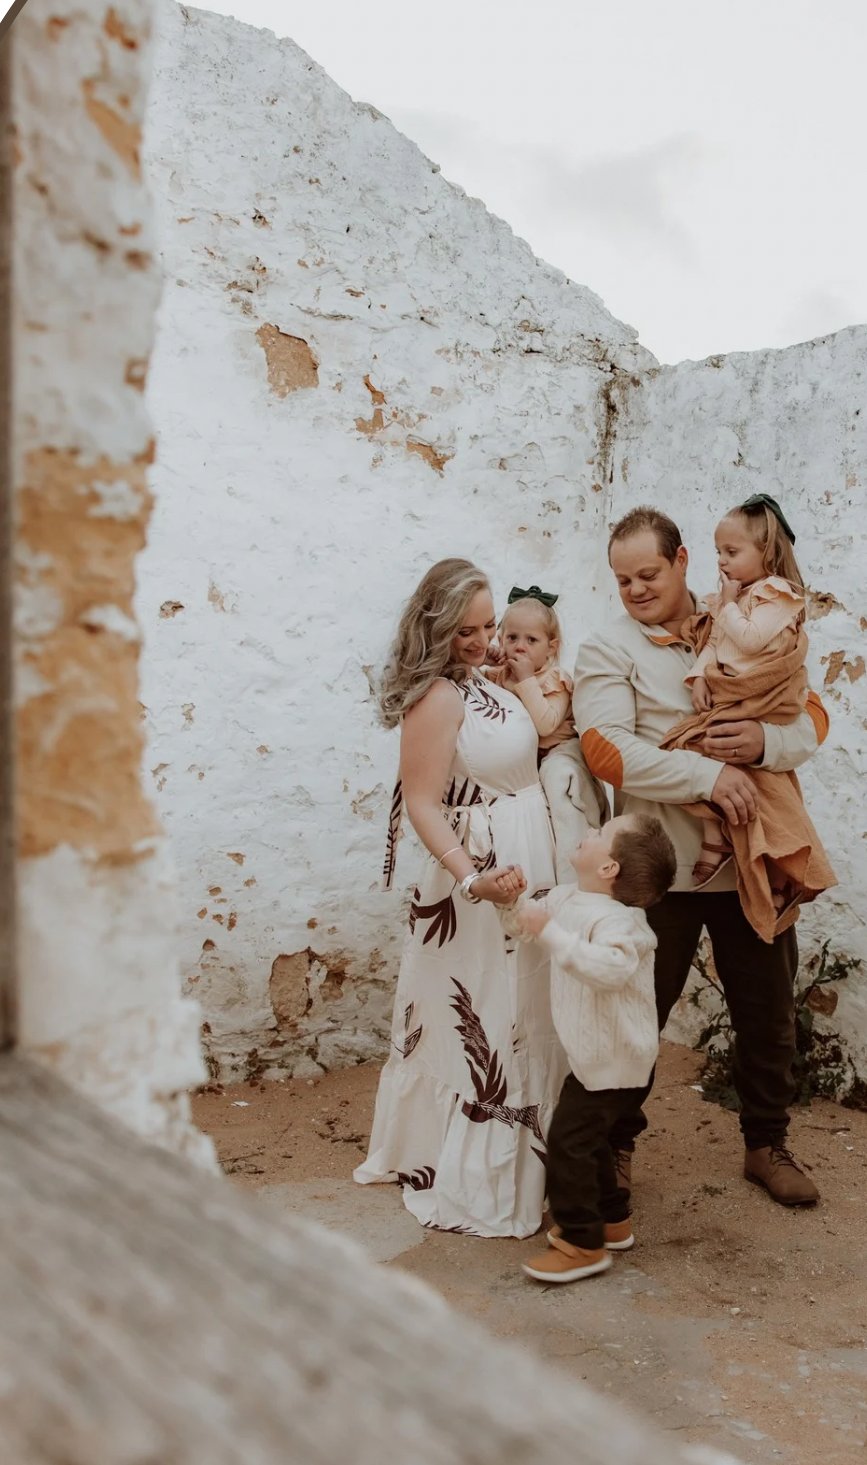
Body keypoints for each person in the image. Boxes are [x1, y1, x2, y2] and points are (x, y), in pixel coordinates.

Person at [572, 506, 830, 1210]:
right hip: (661, 871)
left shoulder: (746, 619)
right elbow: (605, 748)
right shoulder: (606, 650)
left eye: (648, 573)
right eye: (623, 580)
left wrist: (762, 746)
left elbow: (810, 716)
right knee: (635, 1017)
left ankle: (766, 1145)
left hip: (753, 859)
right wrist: (707, 777)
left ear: (683, 559)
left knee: (769, 1012)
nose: (636, 590)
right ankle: (616, 1148)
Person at [354, 558, 567, 1238]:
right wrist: (472, 877)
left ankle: (546, 1161)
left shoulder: (478, 680)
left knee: (528, 1010)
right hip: (480, 878)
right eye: (468, 632)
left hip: (526, 858)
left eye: (489, 626)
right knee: (493, 1017)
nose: (485, 641)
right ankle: (478, 1173)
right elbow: (422, 803)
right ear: (437, 628)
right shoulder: (437, 698)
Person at [514, 814, 678, 1285]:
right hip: (594, 1056)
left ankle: (582, 1244)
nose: (589, 830)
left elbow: (607, 970)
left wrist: (548, 931)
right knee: (592, 1143)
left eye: (601, 833)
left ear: (608, 868)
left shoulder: (624, 924)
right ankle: (612, 1221)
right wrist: (514, 903)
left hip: (621, 1059)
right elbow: (535, 921)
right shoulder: (569, 897)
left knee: (569, 1143)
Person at [669, 495, 835, 939]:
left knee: (764, 787)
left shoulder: (778, 596)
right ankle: (718, 836)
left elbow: (749, 639)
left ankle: (781, 871)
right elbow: (716, 645)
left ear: (766, 552)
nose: (721, 562)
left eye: (731, 552)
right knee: (695, 751)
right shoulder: (736, 597)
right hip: (728, 690)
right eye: (718, 552)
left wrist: (725, 603)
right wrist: (700, 675)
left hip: (764, 692)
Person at [484, 586, 606, 873]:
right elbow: (475, 691)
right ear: (501, 639)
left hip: (559, 750)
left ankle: (572, 864)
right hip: (527, 759)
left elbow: (546, 724)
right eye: (512, 638)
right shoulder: (499, 676)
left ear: (551, 646)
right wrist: (483, 662)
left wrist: (526, 681)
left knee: (559, 781)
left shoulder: (554, 679)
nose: (520, 646)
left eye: (532, 640)